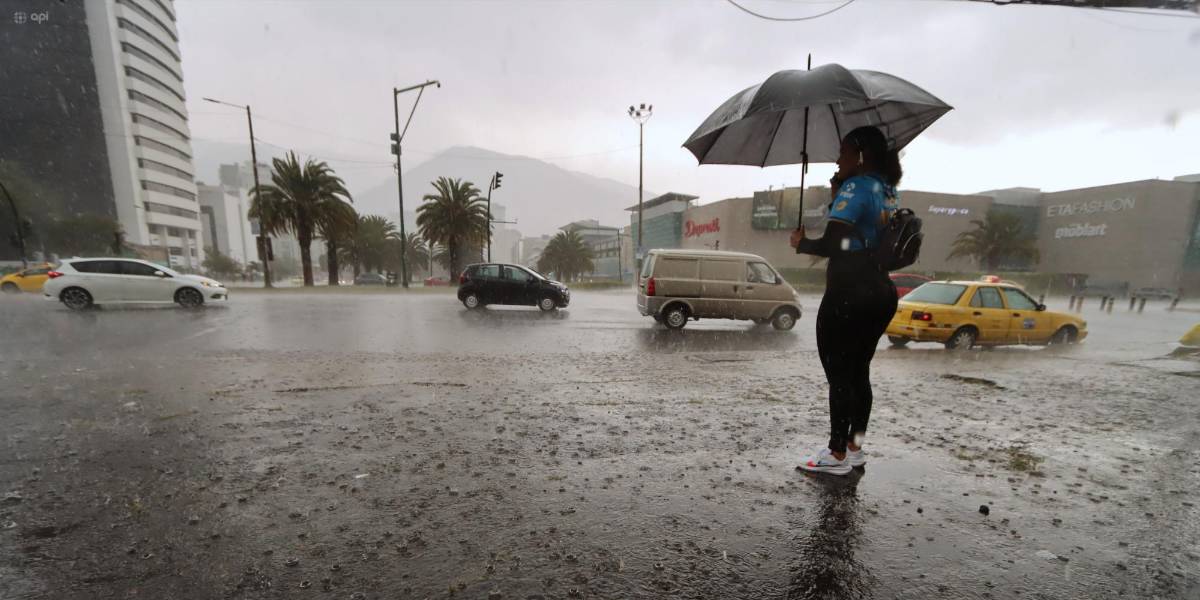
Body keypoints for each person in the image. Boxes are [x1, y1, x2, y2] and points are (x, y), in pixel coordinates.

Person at [790, 125, 902, 476]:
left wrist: (803, 243)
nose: (838, 160)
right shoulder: (886, 189)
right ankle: (855, 447)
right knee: (859, 374)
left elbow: (834, 243)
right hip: (880, 291)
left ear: (861, 156)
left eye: (843, 152)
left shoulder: (857, 187)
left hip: (849, 292)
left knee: (839, 373)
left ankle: (836, 454)